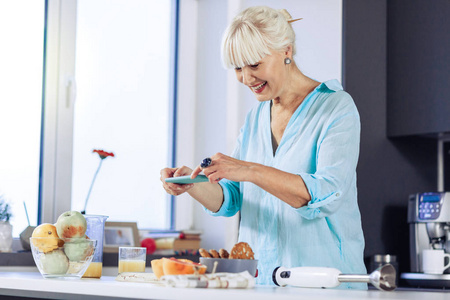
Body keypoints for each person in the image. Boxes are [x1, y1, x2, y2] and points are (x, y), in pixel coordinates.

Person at [160, 6, 366, 288]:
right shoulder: (256, 118)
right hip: (264, 285)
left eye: (254, 65)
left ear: (286, 51)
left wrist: (249, 170)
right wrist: (193, 184)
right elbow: (233, 198)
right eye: (237, 68)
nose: (246, 78)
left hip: (327, 285)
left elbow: (326, 194)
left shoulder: (335, 108)